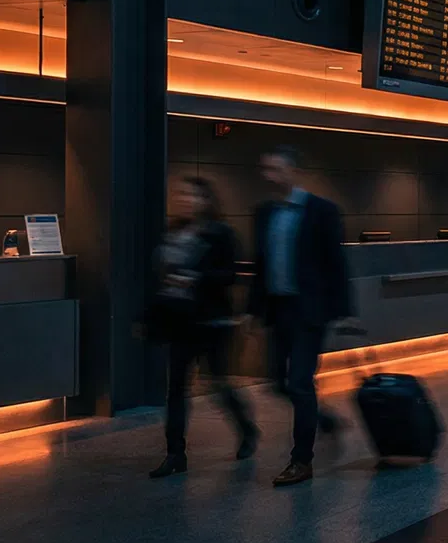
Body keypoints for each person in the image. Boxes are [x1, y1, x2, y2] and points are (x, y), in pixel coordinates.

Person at [249, 145, 356, 487]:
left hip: (309, 311)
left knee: (298, 381)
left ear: (292, 172)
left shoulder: (321, 211)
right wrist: (253, 311)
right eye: (266, 169)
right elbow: (261, 265)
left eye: (276, 169)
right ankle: (322, 418)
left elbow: (336, 263)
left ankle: (301, 460)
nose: (269, 176)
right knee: (277, 382)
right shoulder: (265, 212)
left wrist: (343, 311)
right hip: (278, 309)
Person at [146, 176, 257, 478]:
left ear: (205, 200)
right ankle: (174, 453)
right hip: (180, 322)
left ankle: (247, 428)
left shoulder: (220, 234)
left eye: (191, 195)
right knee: (177, 390)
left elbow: (230, 275)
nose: (184, 200)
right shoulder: (173, 233)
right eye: (180, 194)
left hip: (212, 322)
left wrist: (197, 278)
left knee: (218, 383)